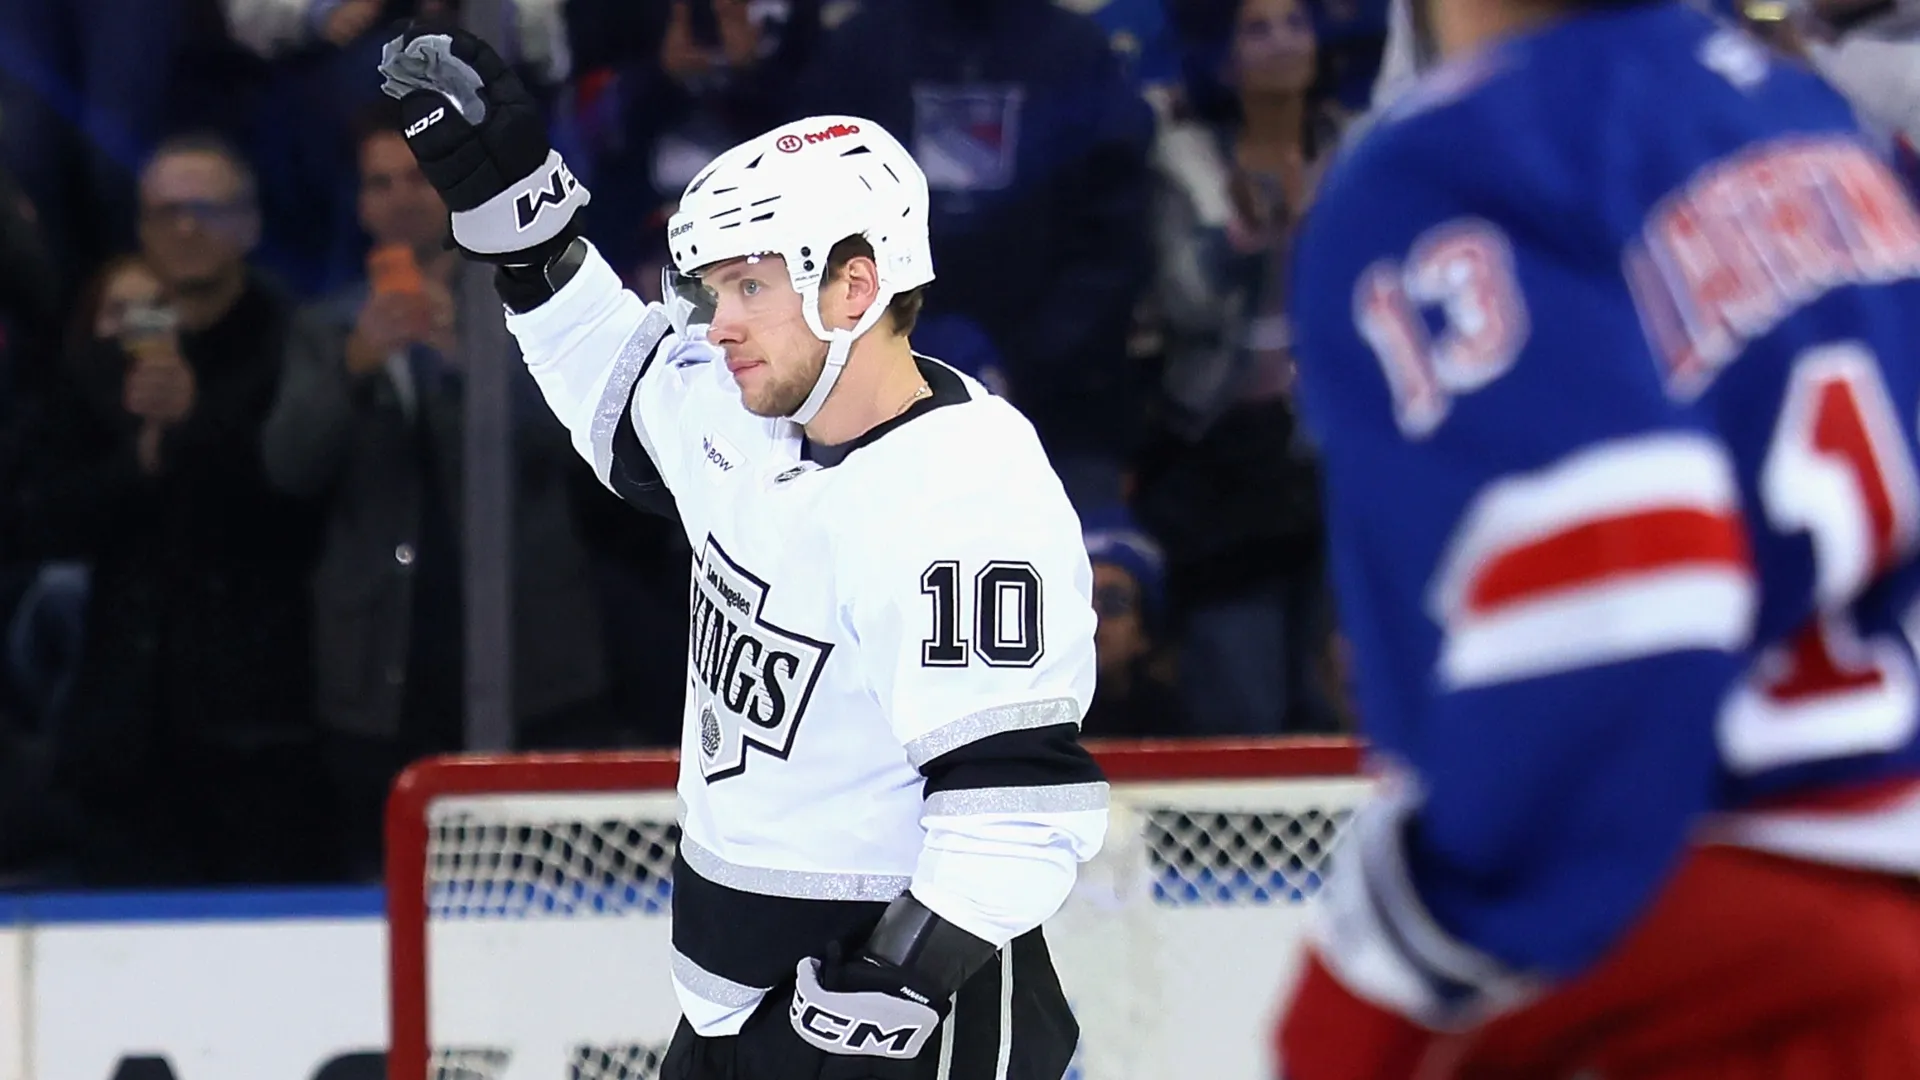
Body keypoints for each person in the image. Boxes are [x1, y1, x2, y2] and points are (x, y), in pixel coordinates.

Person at [378, 26, 1107, 1080]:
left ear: (856, 289)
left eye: (752, 288)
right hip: (737, 1017)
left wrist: (884, 994)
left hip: (898, 1031)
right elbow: (614, 390)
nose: (719, 325)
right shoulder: (752, 411)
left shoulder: (962, 491)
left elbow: (1017, 808)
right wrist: (521, 219)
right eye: (715, 290)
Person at [1272, 2, 1920, 1078]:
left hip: (1679, 954)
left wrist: (1386, 973)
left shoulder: (1449, 162)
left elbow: (1620, 595)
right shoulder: (1816, 129)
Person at [261, 100, 613, 880]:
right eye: (379, 183)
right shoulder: (327, 327)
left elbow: (576, 448)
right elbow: (289, 468)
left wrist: (464, 361)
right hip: (383, 661)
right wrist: (356, 367)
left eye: (416, 179)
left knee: (539, 878)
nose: (399, 198)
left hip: (528, 654)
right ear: (359, 205)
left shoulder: (528, 306)